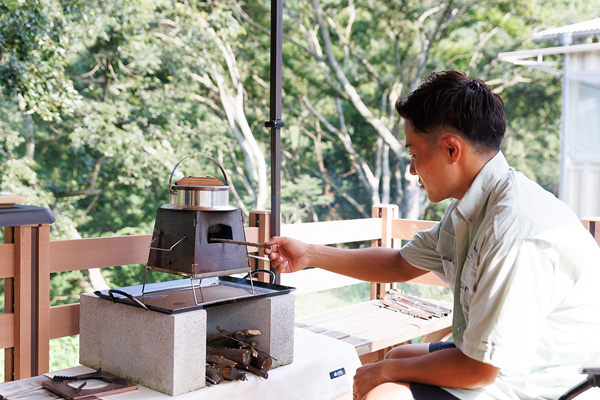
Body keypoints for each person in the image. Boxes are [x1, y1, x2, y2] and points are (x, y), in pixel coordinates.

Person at [264, 70, 600, 400]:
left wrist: (383, 373)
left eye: (414, 154)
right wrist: (309, 254)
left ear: (452, 150)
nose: (412, 170)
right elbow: (399, 264)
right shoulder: (474, 206)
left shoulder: (512, 230)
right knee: (397, 357)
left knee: (386, 394)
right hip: (506, 358)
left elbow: (480, 371)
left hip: (545, 380)